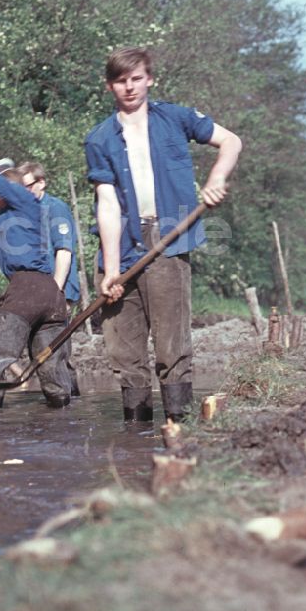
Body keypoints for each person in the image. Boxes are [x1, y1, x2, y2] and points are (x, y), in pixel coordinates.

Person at [85, 46, 242, 424]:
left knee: (172, 345)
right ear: (110, 86)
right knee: (125, 351)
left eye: (136, 78)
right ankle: (135, 434)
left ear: (149, 79)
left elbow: (231, 142)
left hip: (170, 238)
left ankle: (178, 427)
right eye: (121, 81)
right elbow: (107, 205)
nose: (130, 87)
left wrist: (215, 179)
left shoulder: (176, 118)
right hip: (123, 244)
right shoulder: (99, 139)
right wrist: (109, 270)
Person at [0, 121, 72, 409]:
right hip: (48, 295)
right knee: (51, 370)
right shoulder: (6, 222)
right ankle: (64, 420)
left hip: (28, 290)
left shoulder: (24, 200)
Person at [18, 160, 81, 396]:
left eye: (27, 186)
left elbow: (64, 252)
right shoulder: (28, 211)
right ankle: (68, 399)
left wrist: (55, 292)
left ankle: (66, 403)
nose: (23, 192)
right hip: (39, 291)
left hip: (58, 290)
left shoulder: (56, 208)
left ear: (41, 183)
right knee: (47, 350)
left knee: (54, 349)